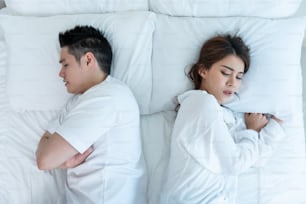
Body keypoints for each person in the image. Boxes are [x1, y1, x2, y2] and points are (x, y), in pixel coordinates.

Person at [160, 34, 285, 204]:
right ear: (203, 70)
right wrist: (251, 131)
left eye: (239, 77)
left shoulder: (228, 116)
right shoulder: (200, 103)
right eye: (226, 73)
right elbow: (235, 163)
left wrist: (273, 128)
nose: (233, 83)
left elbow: (253, 160)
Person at [35, 25, 146, 204]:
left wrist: (59, 161)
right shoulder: (77, 101)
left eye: (65, 64)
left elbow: (45, 159)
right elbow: (45, 148)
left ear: (88, 60)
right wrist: (63, 163)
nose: (60, 73)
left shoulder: (108, 97)